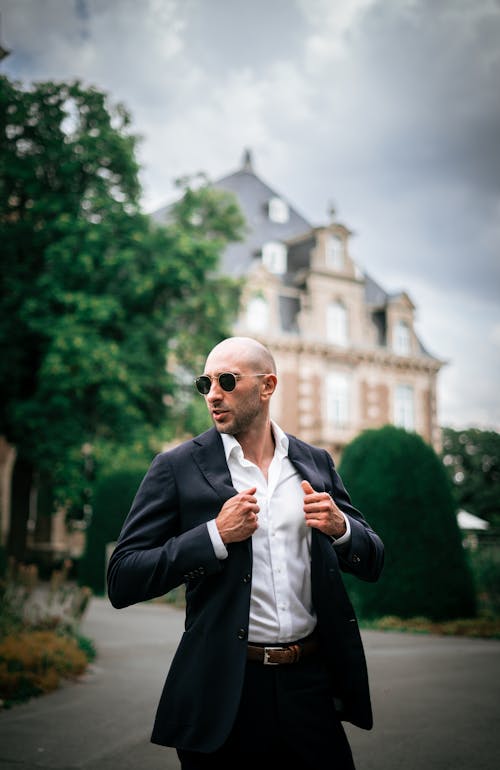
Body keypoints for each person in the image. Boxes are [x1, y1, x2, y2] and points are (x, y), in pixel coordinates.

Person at [108, 336, 384, 769]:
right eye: (206, 383)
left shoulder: (315, 463)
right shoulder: (177, 467)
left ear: (267, 386)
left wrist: (341, 527)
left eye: (228, 381)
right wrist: (214, 535)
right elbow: (122, 578)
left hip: (309, 686)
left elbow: (373, 560)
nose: (213, 395)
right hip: (224, 691)